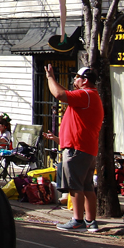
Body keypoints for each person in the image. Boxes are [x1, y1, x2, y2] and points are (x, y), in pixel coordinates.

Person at [47, 64, 104, 232]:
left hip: (76, 149)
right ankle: (90, 221)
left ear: (85, 80)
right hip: (86, 148)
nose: (74, 80)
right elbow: (66, 94)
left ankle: (78, 220)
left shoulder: (85, 94)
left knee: (75, 186)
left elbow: (59, 94)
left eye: (77, 77)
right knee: (86, 186)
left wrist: (50, 77)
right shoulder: (89, 96)